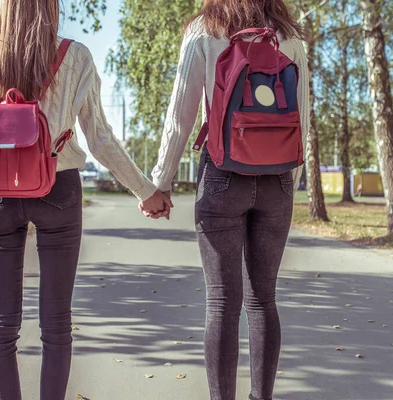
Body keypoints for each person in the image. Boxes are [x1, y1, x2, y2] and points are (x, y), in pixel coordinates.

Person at [0, 1, 171, 399]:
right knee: (56, 322)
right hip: (58, 187)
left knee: (0, 323)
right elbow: (100, 138)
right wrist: (146, 191)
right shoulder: (74, 56)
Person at [142, 1, 309, 399]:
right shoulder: (290, 34)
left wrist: (160, 183)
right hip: (278, 179)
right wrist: (290, 182)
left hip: (222, 173)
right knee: (263, 299)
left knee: (221, 303)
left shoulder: (205, 29)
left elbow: (180, 114)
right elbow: (303, 115)